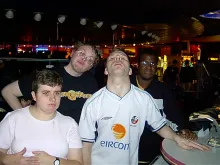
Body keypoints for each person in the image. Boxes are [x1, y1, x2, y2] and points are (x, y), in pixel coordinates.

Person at [79, 49, 209, 165]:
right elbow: (86, 144)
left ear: (130, 70)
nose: (118, 59)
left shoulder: (144, 99)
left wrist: (177, 138)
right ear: (106, 70)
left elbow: (160, 126)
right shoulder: (93, 103)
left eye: (123, 58)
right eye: (113, 58)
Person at [0, 70, 82, 165]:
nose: (53, 98)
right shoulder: (13, 119)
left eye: (57, 93)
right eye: (46, 93)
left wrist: (54, 161)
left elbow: (78, 163)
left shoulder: (69, 124)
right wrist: (9, 160)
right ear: (34, 96)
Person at [1, 43, 99, 123]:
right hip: (49, 136)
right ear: (72, 53)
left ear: (91, 67)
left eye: (90, 59)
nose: (84, 59)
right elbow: (8, 92)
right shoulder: (47, 75)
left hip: (77, 138)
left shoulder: (92, 83)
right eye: (82, 53)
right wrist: (25, 118)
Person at [130, 49, 197, 163]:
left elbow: (175, 115)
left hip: (152, 151)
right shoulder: (125, 86)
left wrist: (184, 129)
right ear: (138, 64)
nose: (149, 67)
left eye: (152, 64)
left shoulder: (163, 90)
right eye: (145, 63)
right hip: (126, 150)